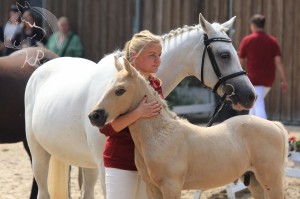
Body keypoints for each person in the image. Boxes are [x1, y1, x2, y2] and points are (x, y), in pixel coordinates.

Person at [99, 30, 163, 199]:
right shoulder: (119, 84)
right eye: (152, 55)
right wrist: (139, 113)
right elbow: (106, 128)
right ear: (135, 55)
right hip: (121, 161)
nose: (158, 60)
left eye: (159, 54)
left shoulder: (155, 86)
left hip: (149, 163)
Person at [239, 14, 288, 119]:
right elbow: (278, 61)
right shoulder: (272, 40)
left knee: (258, 103)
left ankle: (265, 132)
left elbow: (241, 61)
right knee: (255, 103)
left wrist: (238, 79)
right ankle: (250, 129)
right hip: (268, 80)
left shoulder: (247, 40)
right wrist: (283, 79)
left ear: (253, 25)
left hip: (253, 79)